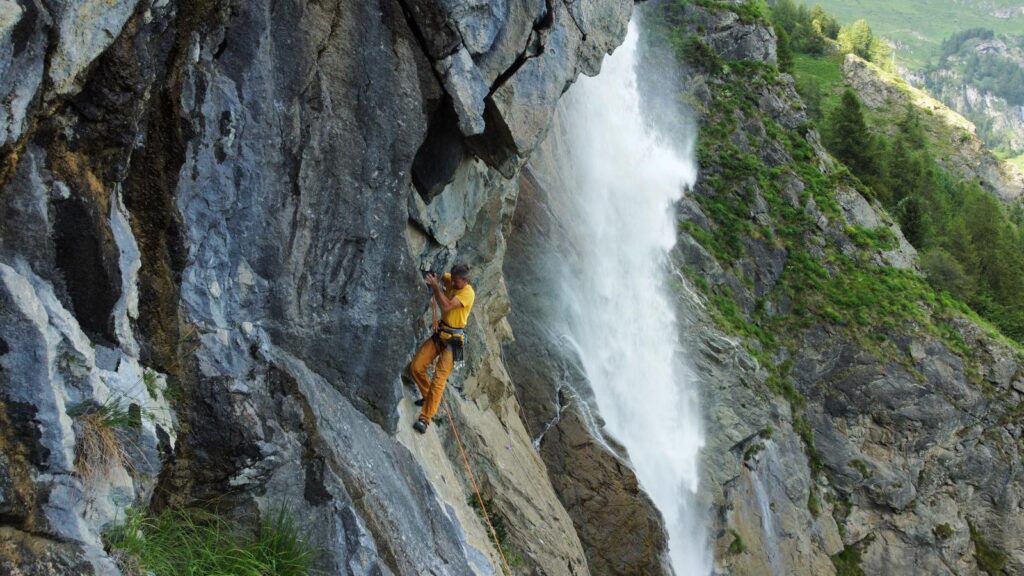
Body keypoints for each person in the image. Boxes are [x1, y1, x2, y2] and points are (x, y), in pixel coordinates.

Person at [408, 264, 475, 434]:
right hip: (441, 333)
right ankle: (426, 396)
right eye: (452, 279)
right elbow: (443, 276)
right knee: (416, 367)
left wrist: (436, 287)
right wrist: (434, 276)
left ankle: (425, 419)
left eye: (456, 281)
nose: (452, 282)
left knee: (439, 380)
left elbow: (445, 306)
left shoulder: (467, 293)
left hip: (453, 341)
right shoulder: (453, 280)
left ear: (465, 281)